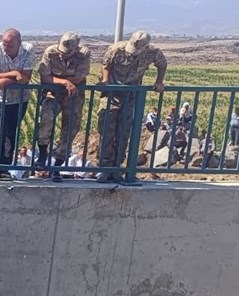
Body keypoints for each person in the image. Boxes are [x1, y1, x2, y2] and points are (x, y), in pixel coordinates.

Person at [96, 30, 167, 183]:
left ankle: (117, 168)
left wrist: (159, 81)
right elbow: (105, 64)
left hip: (130, 97)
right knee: (107, 132)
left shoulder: (152, 52)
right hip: (111, 96)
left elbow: (162, 64)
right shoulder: (117, 49)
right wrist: (106, 82)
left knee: (123, 133)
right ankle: (104, 168)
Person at [36, 31, 90, 181]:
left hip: (74, 97)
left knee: (71, 128)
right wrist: (64, 82)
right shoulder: (51, 52)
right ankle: (42, 154)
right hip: (53, 93)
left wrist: (60, 80)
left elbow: (79, 78)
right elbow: (44, 77)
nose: (63, 55)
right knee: (45, 119)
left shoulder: (83, 54)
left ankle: (57, 166)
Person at [0, 28, 34, 177]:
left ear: (19, 43)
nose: (6, 48)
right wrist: (13, 74)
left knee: (11, 131)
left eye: (10, 45)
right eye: (4, 44)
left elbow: (25, 78)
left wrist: (5, 80)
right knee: (0, 131)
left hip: (20, 98)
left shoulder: (28, 50)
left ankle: (4, 168)